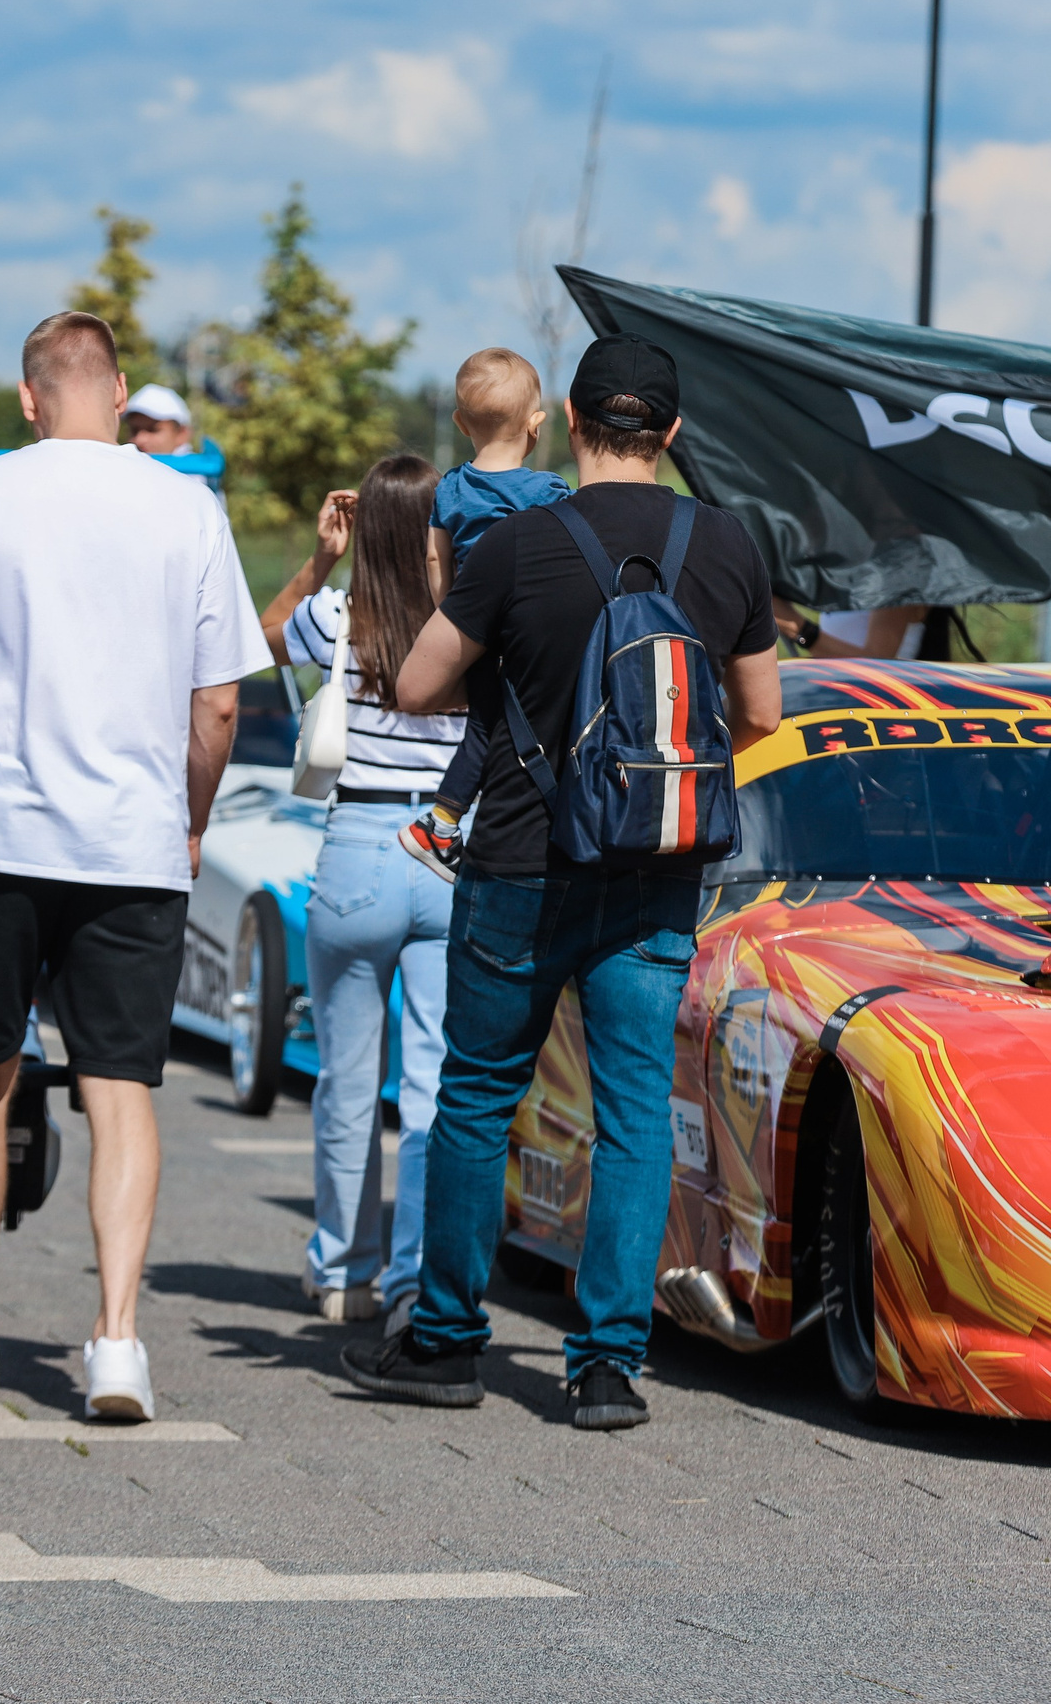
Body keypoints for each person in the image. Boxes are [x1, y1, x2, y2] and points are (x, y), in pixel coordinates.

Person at [342, 332, 781, 1431]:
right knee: (634, 1114)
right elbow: (763, 714)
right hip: (656, 871)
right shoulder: (725, 545)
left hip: (521, 865)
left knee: (477, 1096)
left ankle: (443, 1343)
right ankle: (603, 1371)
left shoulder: (517, 546)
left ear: (573, 423)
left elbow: (415, 683)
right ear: (671, 435)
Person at [0, 311, 269, 1420]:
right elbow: (221, 702)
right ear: (121, 389)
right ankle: (119, 1342)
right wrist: (187, 819)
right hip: (134, 838)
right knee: (124, 1088)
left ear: (31, 398)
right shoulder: (187, 504)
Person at [256, 456, 460, 1333]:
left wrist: (322, 557)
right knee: (431, 1084)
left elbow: (260, 634)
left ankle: (342, 1268)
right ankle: (413, 1278)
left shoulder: (336, 615)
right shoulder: (464, 622)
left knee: (344, 1080)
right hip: (450, 848)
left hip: (357, 850)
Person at [394, 349, 571, 884]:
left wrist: (452, 617)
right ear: (537, 425)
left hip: (471, 627)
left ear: (459, 423)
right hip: (522, 632)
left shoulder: (449, 487)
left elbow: (433, 557)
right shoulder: (548, 493)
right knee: (494, 730)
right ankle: (441, 822)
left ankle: (445, 820)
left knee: (486, 724)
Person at [771, 596, 930, 659]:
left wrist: (798, 628)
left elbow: (877, 662)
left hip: (873, 710)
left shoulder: (900, 570)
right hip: (841, 700)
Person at [121, 383, 198, 457]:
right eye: (134, 430)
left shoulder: (200, 469)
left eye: (152, 430)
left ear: (181, 434)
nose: (140, 440)